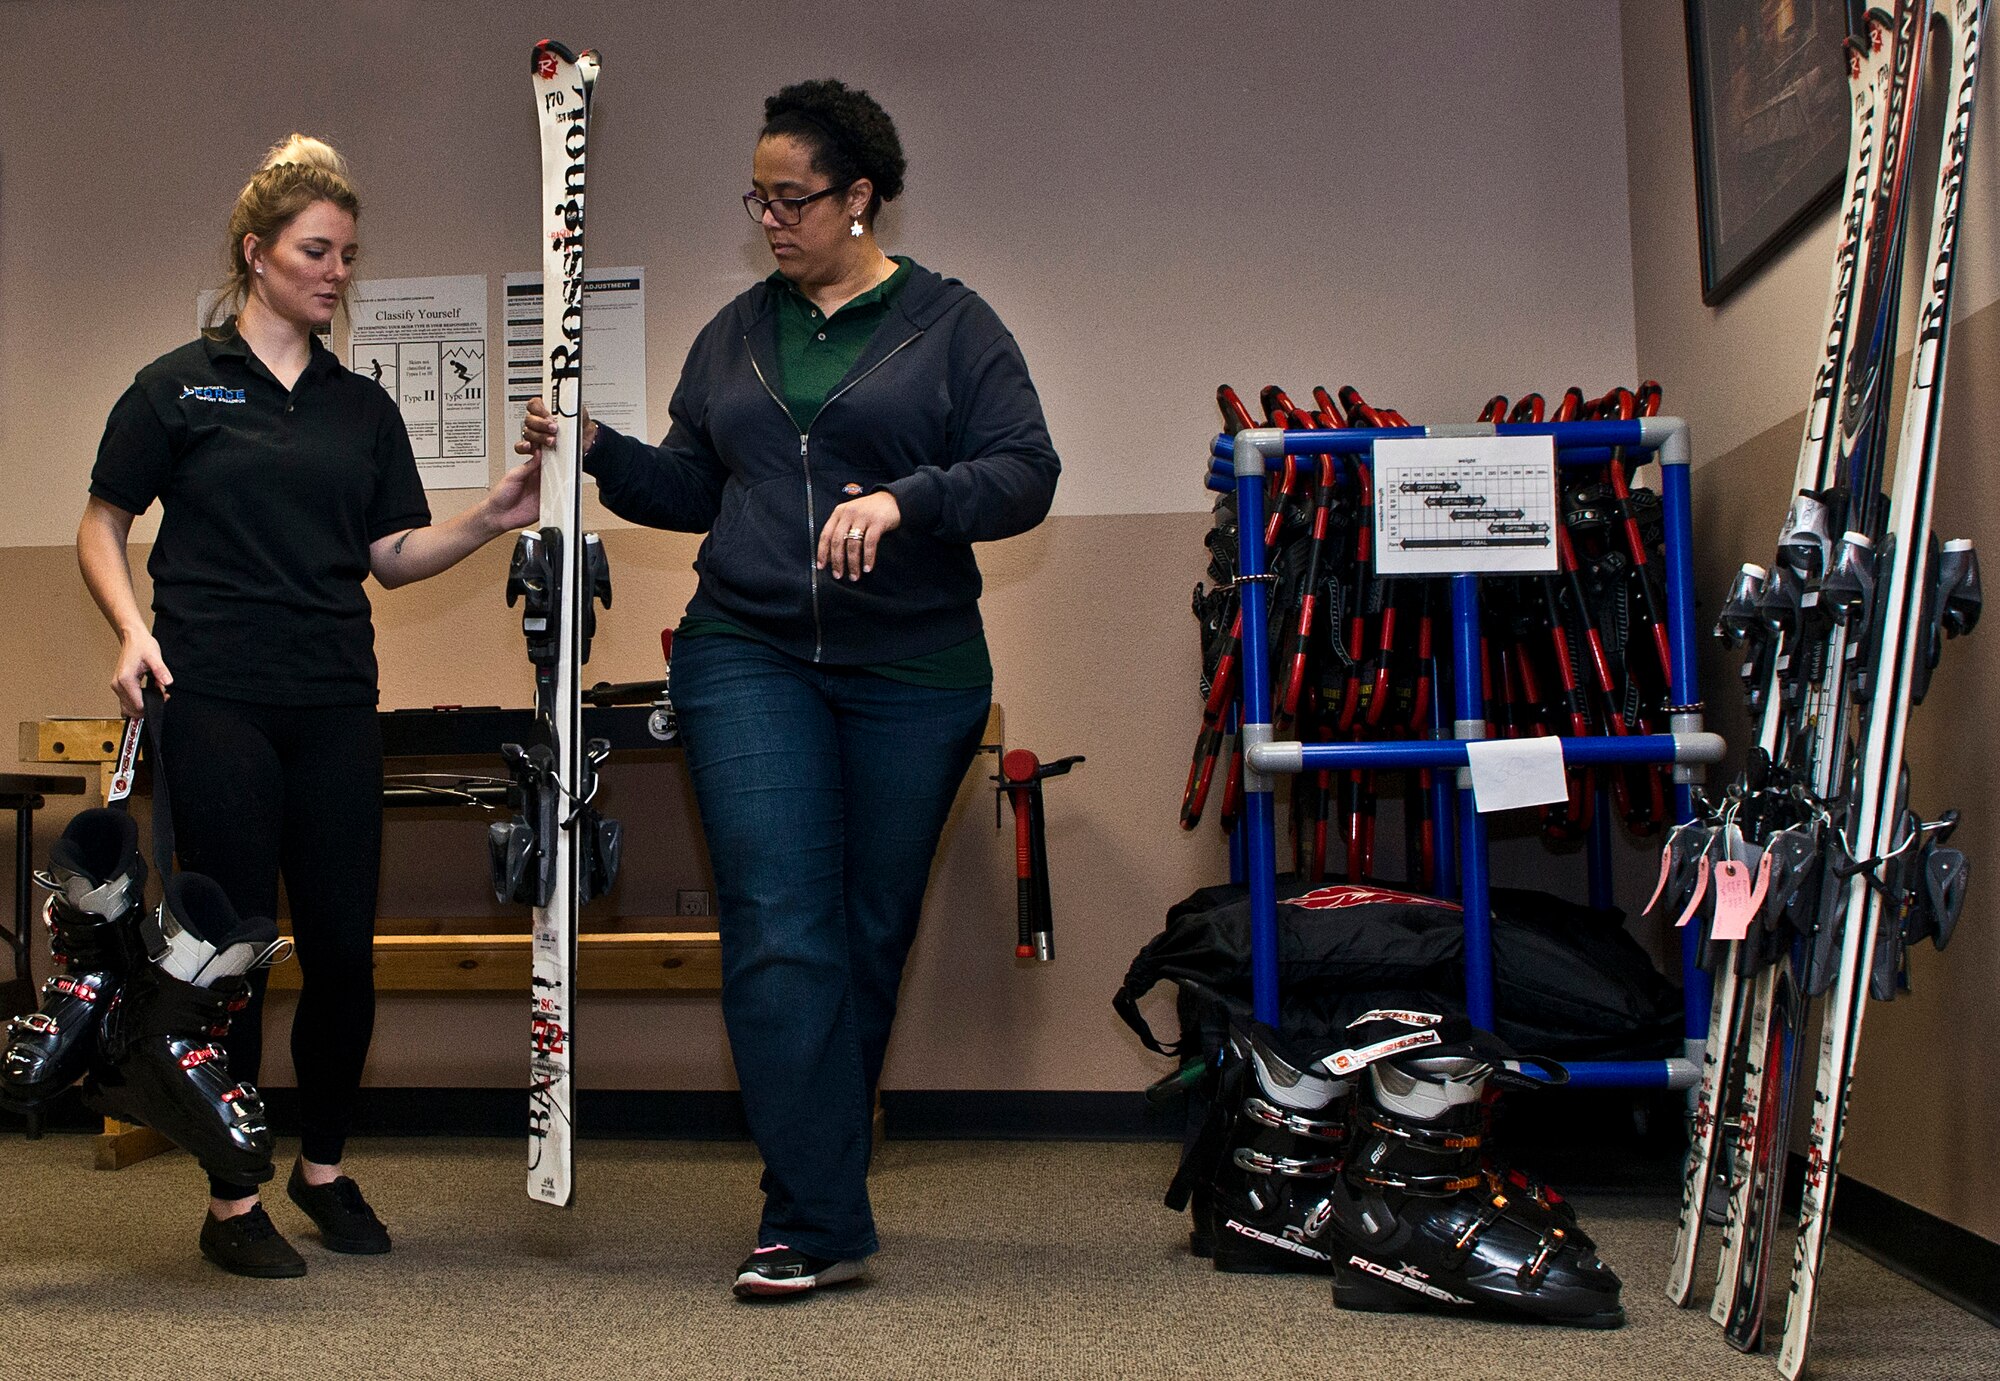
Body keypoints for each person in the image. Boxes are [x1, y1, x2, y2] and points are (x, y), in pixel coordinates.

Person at [519, 78, 1060, 1297]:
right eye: (755, 197)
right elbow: (691, 490)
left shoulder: (952, 326)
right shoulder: (737, 334)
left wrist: (906, 498)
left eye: (791, 197)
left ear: (859, 197)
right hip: (747, 648)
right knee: (776, 920)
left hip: (913, 671)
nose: (768, 218)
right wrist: (600, 452)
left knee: (865, 934)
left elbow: (1024, 472)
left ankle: (816, 1178)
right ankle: (807, 1215)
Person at [80, 134, 541, 1278]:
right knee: (228, 954)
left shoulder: (359, 406)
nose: (337, 272)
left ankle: (320, 1169)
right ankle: (232, 1198)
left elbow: (388, 553)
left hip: (335, 700)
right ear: (258, 255)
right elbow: (102, 523)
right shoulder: (175, 385)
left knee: (345, 953)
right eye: (316, 251)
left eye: (347, 255)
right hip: (216, 698)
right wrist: (133, 631)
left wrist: (488, 518)